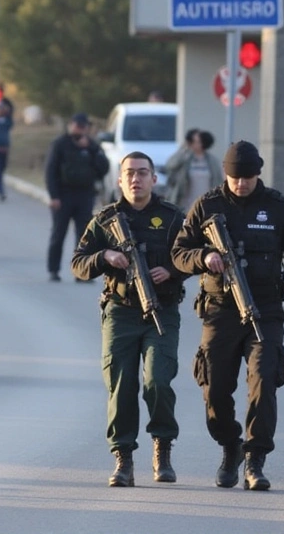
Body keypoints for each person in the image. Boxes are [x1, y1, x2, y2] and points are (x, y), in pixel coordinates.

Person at [170, 140, 284, 491]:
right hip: (220, 311)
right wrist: (204, 258)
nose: (241, 184)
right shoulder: (207, 205)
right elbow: (178, 253)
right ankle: (230, 446)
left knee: (264, 380)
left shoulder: (278, 207)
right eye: (235, 178)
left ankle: (255, 458)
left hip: (265, 310)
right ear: (225, 173)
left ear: (258, 174)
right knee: (215, 389)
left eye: (248, 178)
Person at [71, 152, 188, 487]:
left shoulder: (171, 218)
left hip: (161, 312)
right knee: (121, 385)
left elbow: (192, 256)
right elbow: (78, 264)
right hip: (120, 311)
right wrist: (105, 256)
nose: (136, 179)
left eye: (143, 173)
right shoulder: (105, 220)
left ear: (154, 179)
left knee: (157, 381)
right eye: (129, 174)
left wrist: (173, 270)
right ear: (119, 180)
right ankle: (123, 459)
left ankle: (162, 450)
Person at [45, 113, 110, 282]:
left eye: (83, 126)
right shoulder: (60, 144)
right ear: (71, 125)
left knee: (84, 237)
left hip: (85, 195)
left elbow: (103, 169)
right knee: (58, 234)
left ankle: (82, 273)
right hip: (63, 195)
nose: (80, 129)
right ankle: (54, 270)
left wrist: (92, 149)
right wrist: (54, 196)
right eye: (77, 126)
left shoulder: (92, 146)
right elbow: (50, 171)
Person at [163, 128, 223, 211]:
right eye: (192, 141)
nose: (194, 144)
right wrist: (184, 149)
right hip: (186, 207)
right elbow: (170, 165)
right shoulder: (185, 158)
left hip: (206, 206)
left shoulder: (212, 161)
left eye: (197, 141)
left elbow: (218, 181)